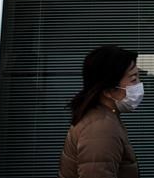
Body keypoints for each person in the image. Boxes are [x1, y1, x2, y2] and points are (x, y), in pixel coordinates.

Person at [59, 45, 143, 178]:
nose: (139, 84)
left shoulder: (103, 117)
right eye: (133, 79)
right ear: (108, 91)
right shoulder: (100, 129)